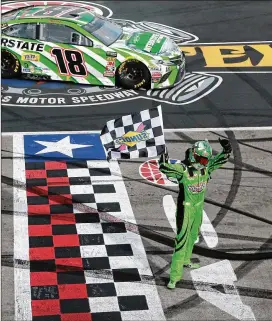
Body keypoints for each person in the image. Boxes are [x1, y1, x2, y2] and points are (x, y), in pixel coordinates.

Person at [159, 138, 232, 289]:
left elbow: (220, 160)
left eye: (206, 159)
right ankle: (174, 277)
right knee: (182, 241)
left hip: (199, 208)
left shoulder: (206, 167)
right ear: (194, 155)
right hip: (185, 210)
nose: (205, 162)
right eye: (203, 158)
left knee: (193, 236)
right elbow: (164, 167)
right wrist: (164, 154)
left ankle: (186, 261)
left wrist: (227, 149)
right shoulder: (183, 169)